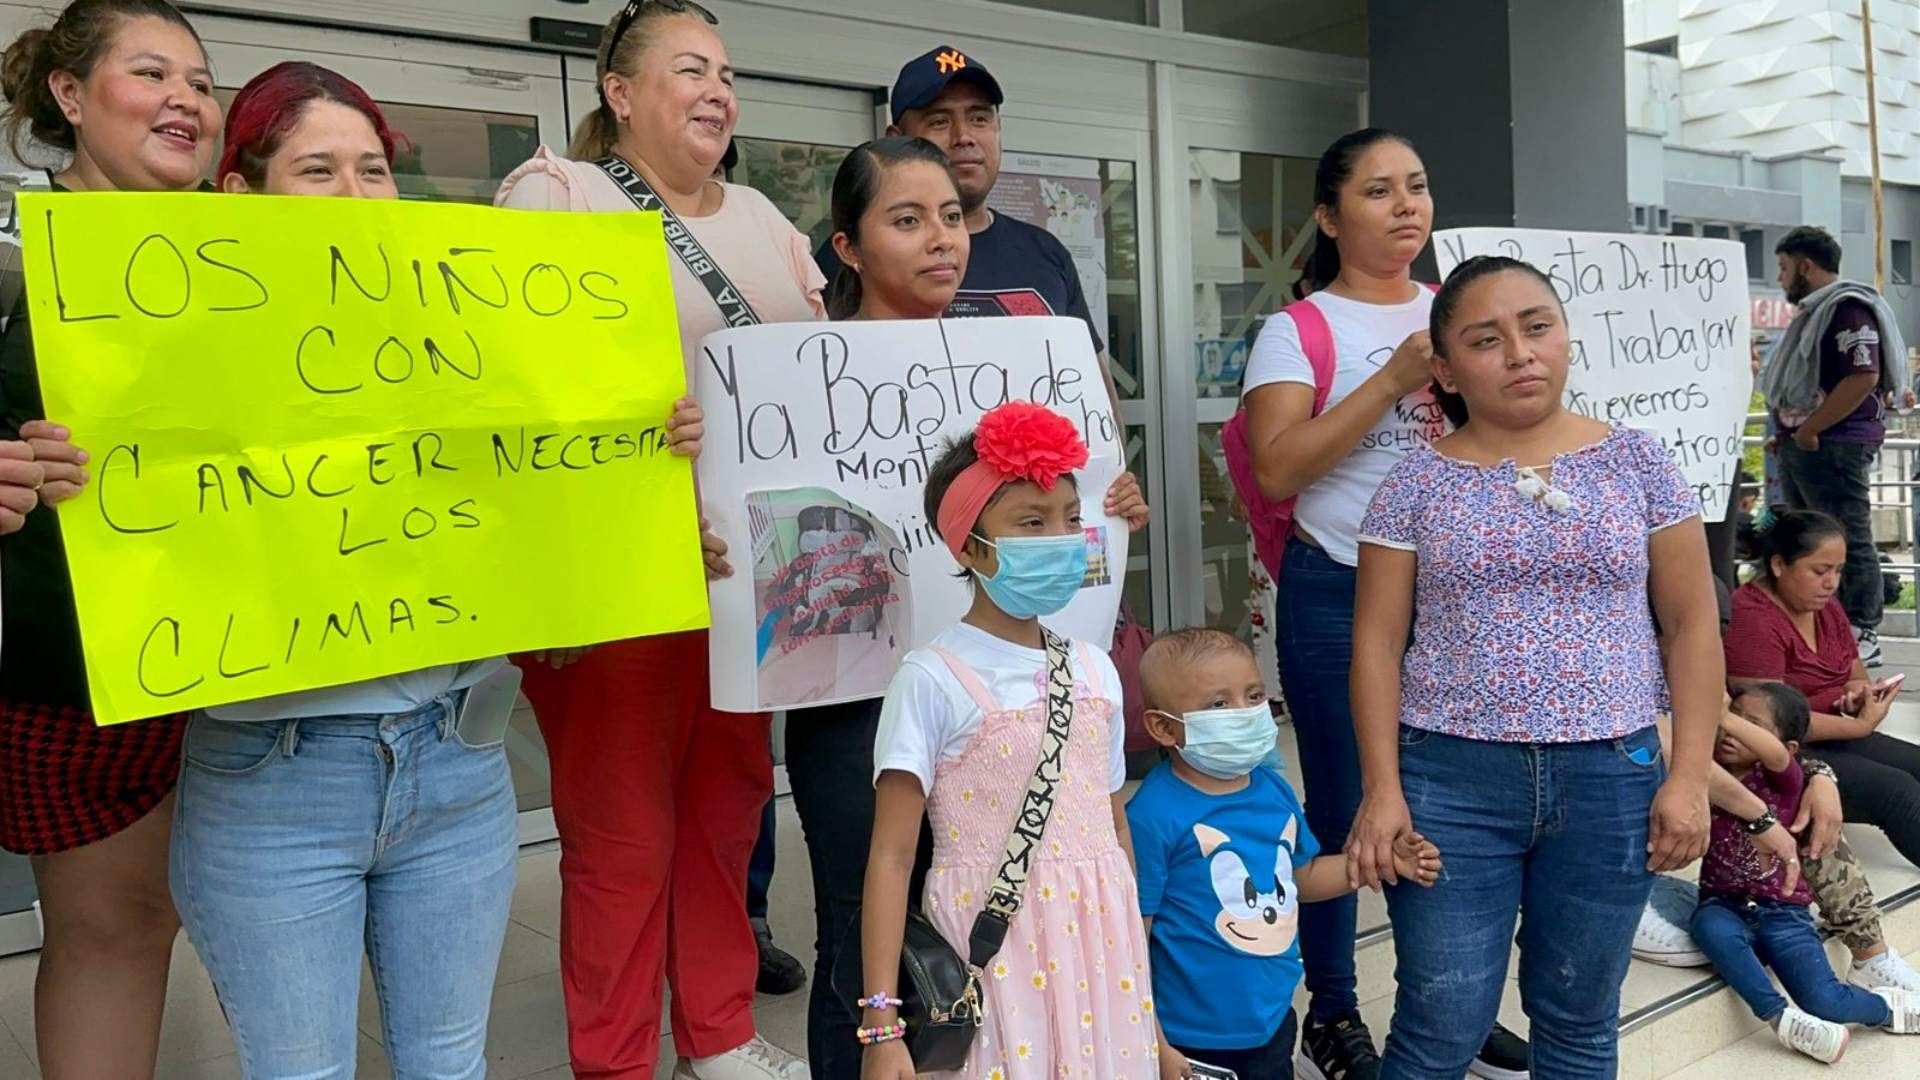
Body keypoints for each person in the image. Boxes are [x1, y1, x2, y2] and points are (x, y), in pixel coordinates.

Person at [493, 2, 821, 1076]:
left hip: (746, 588)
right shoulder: (561, 194)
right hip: (620, 581)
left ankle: (719, 1032)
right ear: (620, 94)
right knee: (623, 837)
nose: (718, 89)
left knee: (725, 814)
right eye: (690, 68)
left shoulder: (768, 217)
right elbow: (518, 390)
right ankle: (617, 1057)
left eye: (727, 71)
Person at [1347, 256, 1720, 1078]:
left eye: (1537, 326)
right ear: (1444, 370)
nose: (1519, 352)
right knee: (1439, 1022)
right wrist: (1382, 790)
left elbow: (1691, 627)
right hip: (1450, 781)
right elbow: (1375, 645)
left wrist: (1689, 775)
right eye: (1486, 340)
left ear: (1566, 337)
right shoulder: (1412, 485)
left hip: (1611, 779)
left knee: (1580, 1022)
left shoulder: (1642, 465)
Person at [1237, 127, 1527, 1080]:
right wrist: (1395, 381)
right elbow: (1279, 466)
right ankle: (1331, 1009)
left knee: (1455, 802)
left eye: (1418, 185)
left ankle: (1451, 995)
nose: (1407, 206)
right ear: (1329, 216)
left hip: (1462, 593)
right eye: (1377, 192)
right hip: (1339, 591)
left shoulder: (1464, 308)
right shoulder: (1301, 329)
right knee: (1344, 809)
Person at [0, 3, 216, 1074]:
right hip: (82, 669)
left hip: (241, 654)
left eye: (200, 80)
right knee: (112, 935)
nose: (186, 98)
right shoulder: (9, 256)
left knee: (183, 920)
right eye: (152, 73)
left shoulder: (245, 254)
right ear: (71, 95)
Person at [859, 400, 1158, 1079]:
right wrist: (882, 1027)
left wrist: (1149, 1009)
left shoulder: (1095, 669)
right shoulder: (932, 678)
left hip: (1104, 952)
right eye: (1031, 522)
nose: (1062, 537)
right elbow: (891, 856)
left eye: (1071, 520)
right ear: (968, 544)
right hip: (995, 953)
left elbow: (1114, 827)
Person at [1127, 627, 1440, 1079]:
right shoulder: (1154, 815)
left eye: (1253, 695)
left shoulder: (1271, 789)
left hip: (1273, 1020)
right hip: (1190, 1039)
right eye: (1219, 704)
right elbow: (1132, 937)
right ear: (1162, 726)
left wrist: (1383, 862)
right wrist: (1153, 1042)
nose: (1245, 712)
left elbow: (1301, 876)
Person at [813, 46, 1130, 431]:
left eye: (979, 118)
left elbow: (1096, 398)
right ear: (898, 138)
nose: (964, 137)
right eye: (939, 121)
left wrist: (1113, 475)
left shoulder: (1045, 252)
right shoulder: (844, 263)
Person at [1632, 580, 1920, 992]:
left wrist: (1818, 776)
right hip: (1626, 805)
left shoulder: (1697, 668)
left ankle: (1870, 954)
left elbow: (1755, 745)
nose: (1708, 649)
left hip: (1708, 796)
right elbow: (1676, 750)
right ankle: (1632, 900)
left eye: (1715, 636)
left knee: (1810, 810)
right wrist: (1760, 815)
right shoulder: (1622, 674)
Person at [1688, 683, 1920, 1064]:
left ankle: (1888, 1009)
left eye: (1751, 724)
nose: (1730, 731)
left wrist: (1724, 713)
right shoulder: (1707, 774)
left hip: (1783, 914)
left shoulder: (1783, 778)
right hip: (1724, 904)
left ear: (1790, 747)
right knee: (1710, 928)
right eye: (1730, 721)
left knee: (1827, 1002)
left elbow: (1778, 756)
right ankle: (1780, 1017)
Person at [1724, 510, 1920, 873]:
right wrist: (1859, 727)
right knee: (1895, 790)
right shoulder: (1751, 616)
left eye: (1839, 570)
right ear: (1779, 565)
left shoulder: (1825, 607)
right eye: (1820, 570)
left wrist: (1859, 695)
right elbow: (1768, 726)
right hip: (1778, 753)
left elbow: (1853, 673)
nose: (1831, 582)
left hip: (1834, 732)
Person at [1761, 226, 1911, 667]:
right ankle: (1823, 627)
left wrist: (1812, 429)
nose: (1780, 278)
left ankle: (1861, 628)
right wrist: (1791, 433)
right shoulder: (1817, 314)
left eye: (1784, 268)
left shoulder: (1846, 311)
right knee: (1809, 537)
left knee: (1846, 536)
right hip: (1807, 444)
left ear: (1805, 266)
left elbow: (1862, 376)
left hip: (1835, 444)